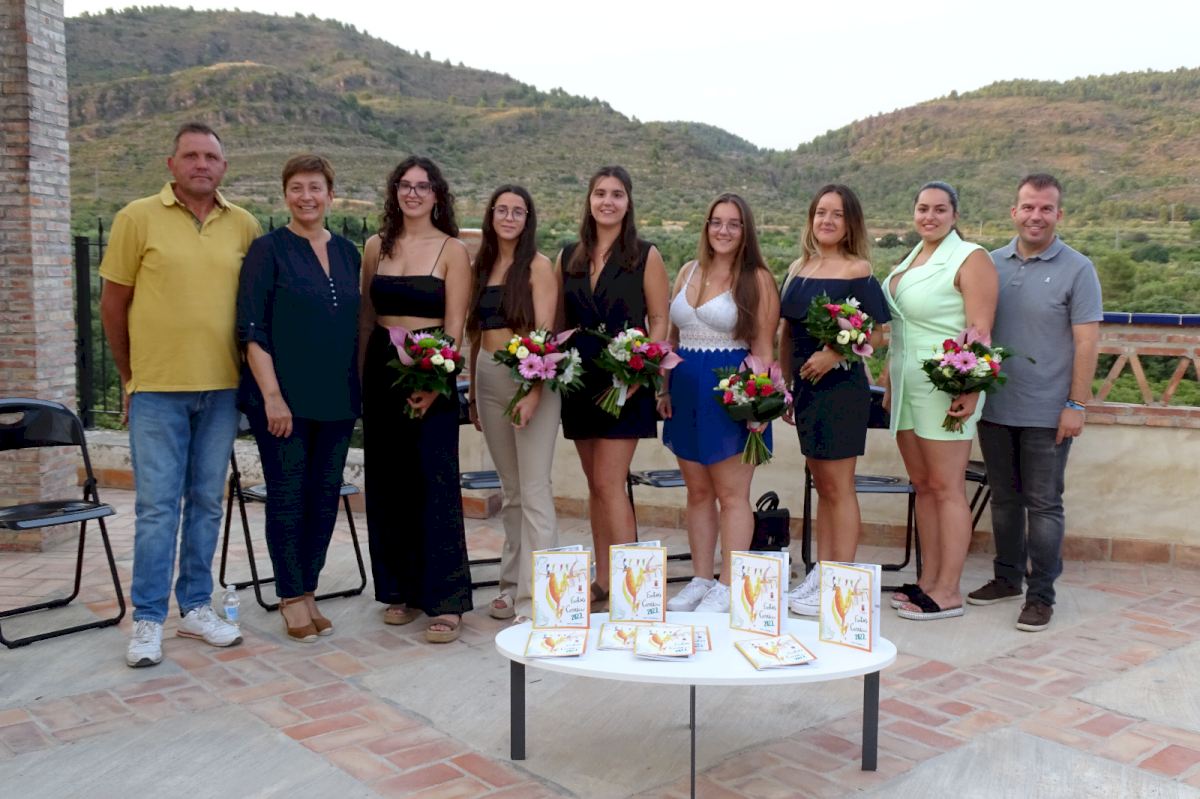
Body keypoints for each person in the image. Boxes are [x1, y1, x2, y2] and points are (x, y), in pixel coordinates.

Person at [100, 122, 260, 667]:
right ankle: (148, 618)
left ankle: (194, 606)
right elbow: (113, 305)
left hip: (221, 390)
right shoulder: (136, 217)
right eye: (190, 155)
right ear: (171, 164)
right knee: (156, 509)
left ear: (224, 167)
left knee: (208, 504)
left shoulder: (243, 224)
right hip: (158, 392)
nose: (201, 164)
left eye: (211, 156)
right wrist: (131, 377)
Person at [967, 174, 1102, 632]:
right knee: (1004, 500)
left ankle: (1041, 595)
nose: (1036, 216)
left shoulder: (1078, 269)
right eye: (1028, 207)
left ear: (1058, 214)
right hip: (995, 407)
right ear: (1014, 212)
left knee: (1044, 505)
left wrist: (1076, 404)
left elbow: (1087, 342)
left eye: (1046, 208)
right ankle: (1006, 579)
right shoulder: (989, 264)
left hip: (1048, 412)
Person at [236, 154, 361, 642]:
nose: (306, 197)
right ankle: (290, 597)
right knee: (288, 497)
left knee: (324, 498)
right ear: (285, 194)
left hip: (337, 399)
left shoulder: (348, 252)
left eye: (315, 187)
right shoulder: (267, 250)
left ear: (331, 194)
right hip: (283, 402)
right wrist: (272, 396)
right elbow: (252, 330)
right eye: (297, 188)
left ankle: (309, 590)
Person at [360, 156, 473, 643]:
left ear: (436, 195)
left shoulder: (452, 250)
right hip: (382, 368)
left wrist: (436, 380)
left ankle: (446, 601)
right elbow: (367, 319)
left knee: (434, 480)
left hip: (432, 365)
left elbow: (456, 325)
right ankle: (399, 590)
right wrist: (361, 380)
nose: (412, 193)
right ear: (394, 192)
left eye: (422, 186)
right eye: (405, 185)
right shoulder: (375, 247)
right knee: (388, 481)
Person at [882, 181, 998, 621]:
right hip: (906, 386)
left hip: (945, 386)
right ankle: (929, 579)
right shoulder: (912, 258)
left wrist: (971, 387)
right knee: (924, 486)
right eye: (922, 208)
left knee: (947, 487)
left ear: (954, 215)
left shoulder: (970, 257)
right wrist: (889, 381)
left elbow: (980, 330)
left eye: (939, 209)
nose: (929, 216)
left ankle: (948, 590)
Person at [659, 193, 780, 613]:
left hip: (731, 393)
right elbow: (672, 337)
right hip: (684, 389)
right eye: (716, 222)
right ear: (706, 226)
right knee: (697, 492)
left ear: (746, 230)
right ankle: (700, 579)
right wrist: (663, 388)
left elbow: (763, 346)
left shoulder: (757, 279)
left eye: (733, 223)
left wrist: (759, 405)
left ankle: (730, 584)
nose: (723, 230)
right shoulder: (688, 270)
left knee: (732, 494)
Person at [558, 166, 670, 603]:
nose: (608, 201)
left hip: (627, 383)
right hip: (580, 381)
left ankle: (633, 589)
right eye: (600, 193)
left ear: (628, 202)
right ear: (589, 200)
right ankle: (604, 579)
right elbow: (560, 322)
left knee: (609, 482)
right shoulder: (568, 255)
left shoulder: (645, 255)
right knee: (595, 486)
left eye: (617, 194)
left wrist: (644, 368)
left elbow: (658, 319)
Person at [777, 185, 891, 615]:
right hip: (805, 389)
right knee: (822, 485)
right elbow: (787, 333)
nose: (826, 220)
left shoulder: (858, 270)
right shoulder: (798, 268)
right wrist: (786, 387)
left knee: (839, 487)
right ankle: (823, 573)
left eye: (837, 214)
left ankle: (840, 581)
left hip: (841, 388)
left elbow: (879, 332)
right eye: (820, 212)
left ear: (850, 223)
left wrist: (835, 353)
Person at [466, 185, 561, 620]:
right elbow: (475, 333)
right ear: (491, 216)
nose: (508, 217)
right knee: (512, 492)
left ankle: (538, 597)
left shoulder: (538, 266)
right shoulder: (482, 266)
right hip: (487, 376)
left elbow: (544, 335)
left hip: (530, 376)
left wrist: (534, 390)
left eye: (517, 211)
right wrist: (472, 391)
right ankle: (510, 585)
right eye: (501, 210)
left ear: (527, 219)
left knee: (535, 489)